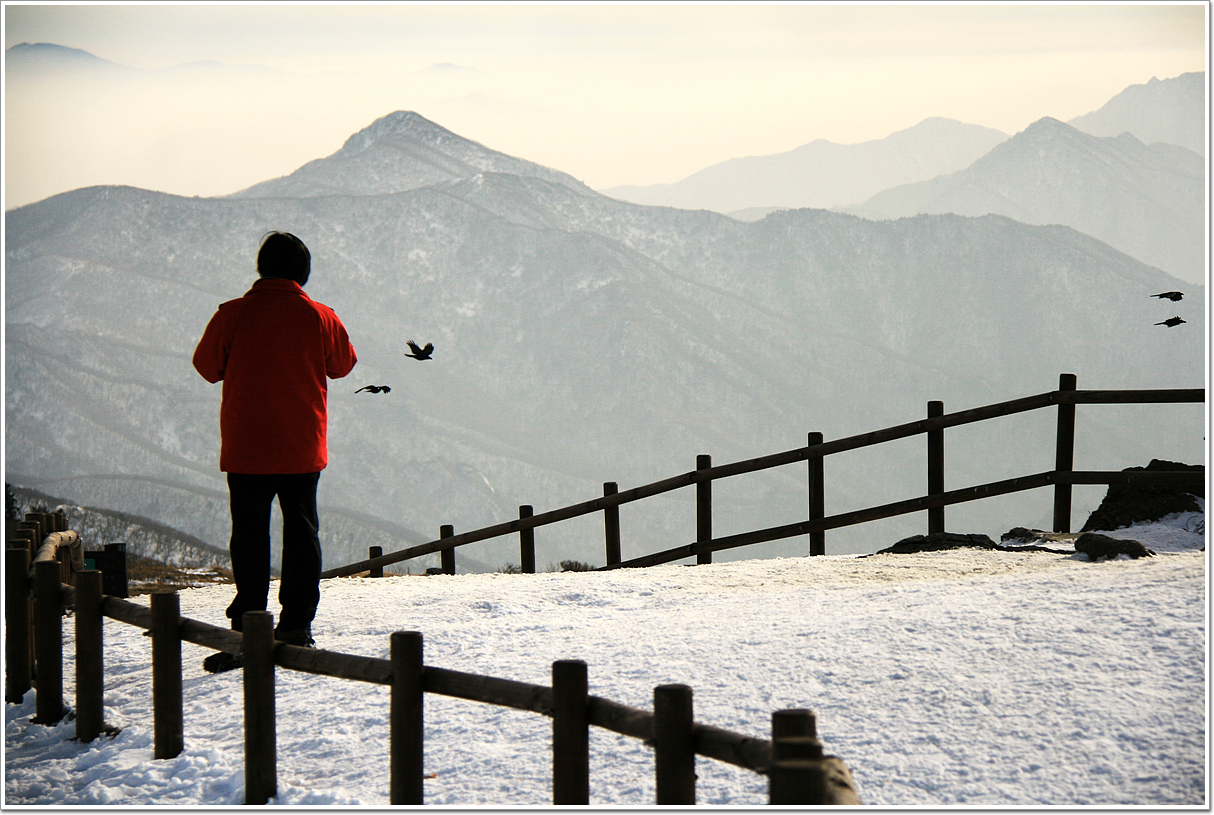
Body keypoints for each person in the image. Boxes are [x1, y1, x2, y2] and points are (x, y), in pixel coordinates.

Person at [192, 231, 357, 672]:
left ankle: (248, 630)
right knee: (302, 535)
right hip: (302, 447)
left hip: (247, 446)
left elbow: (207, 367)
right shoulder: (320, 317)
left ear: (261, 268)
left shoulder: (233, 314)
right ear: (303, 273)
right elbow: (343, 365)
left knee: (249, 536)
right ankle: (296, 629)